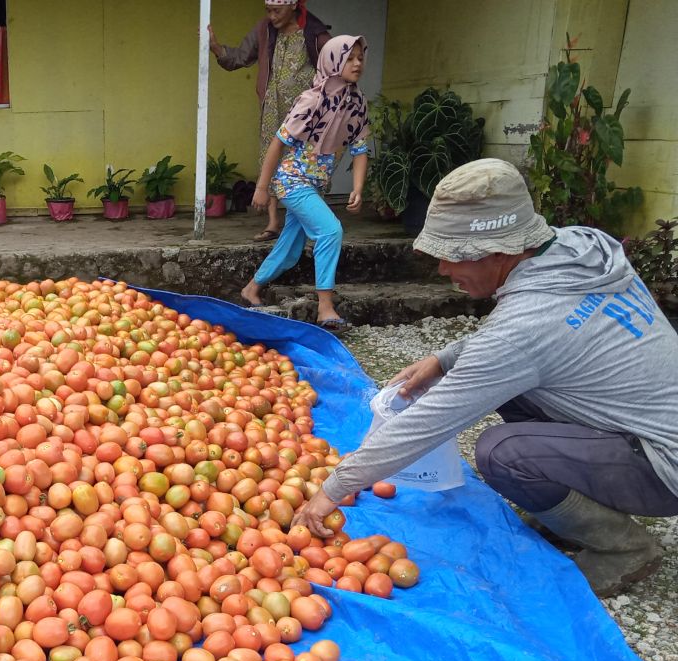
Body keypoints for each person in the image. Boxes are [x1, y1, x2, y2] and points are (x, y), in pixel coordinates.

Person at [292, 158, 678, 598]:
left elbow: (430, 421)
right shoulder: (578, 246)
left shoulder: (526, 329)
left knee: (502, 453)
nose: (442, 270)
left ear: (501, 252)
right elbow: (524, 339)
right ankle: (572, 505)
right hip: (644, 422)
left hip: (663, 463)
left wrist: (332, 489)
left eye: (453, 256)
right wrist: (444, 358)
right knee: (505, 391)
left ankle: (622, 549)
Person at [239, 35, 370, 332]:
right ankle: (325, 306)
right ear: (333, 61)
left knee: (291, 246)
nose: (358, 63)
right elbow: (278, 143)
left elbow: (360, 148)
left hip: (315, 185)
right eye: (350, 58)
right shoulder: (312, 100)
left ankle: (251, 289)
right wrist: (262, 187)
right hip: (292, 180)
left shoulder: (357, 103)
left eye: (361, 57)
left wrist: (358, 188)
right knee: (330, 230)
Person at [209, 0, 330, 242]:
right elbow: (241, 57)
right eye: (268, 10)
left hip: (308, 113)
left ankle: (312, 221)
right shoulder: (265, 30)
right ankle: (273, 221)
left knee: (308, 161)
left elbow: (337, 67)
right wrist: (216, 48)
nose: (272, 16)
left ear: (294, 6)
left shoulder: (317, 34)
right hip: (273, 109)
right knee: (271, 158)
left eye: (277, 10)